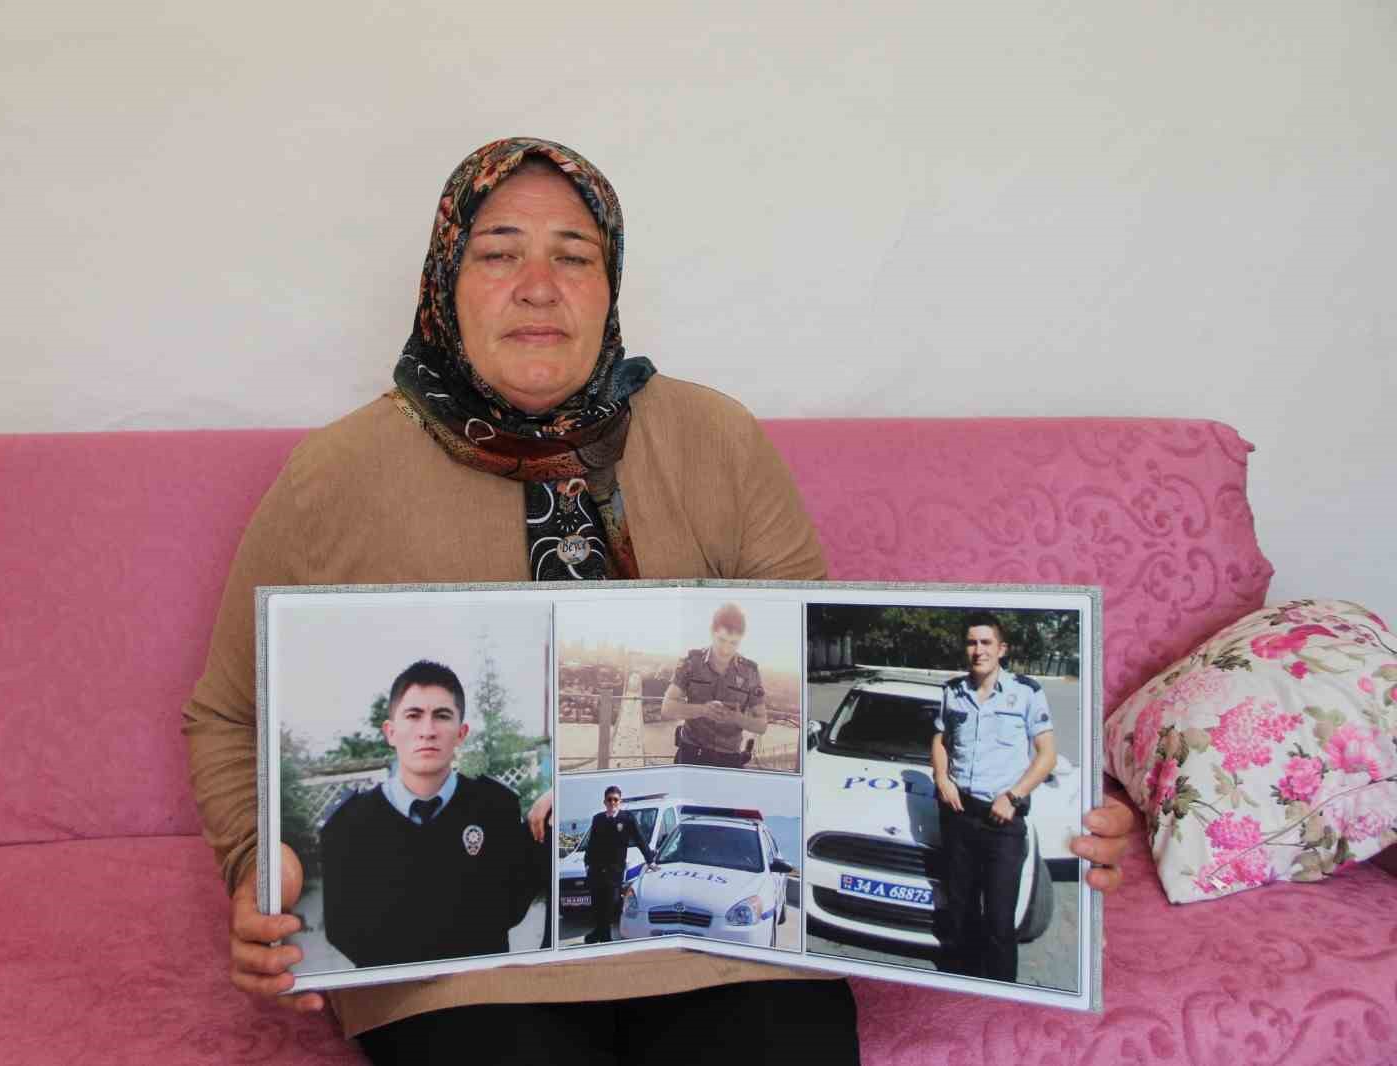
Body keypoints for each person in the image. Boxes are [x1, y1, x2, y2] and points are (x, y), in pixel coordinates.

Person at [183, 137, 1135, 1065]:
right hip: (461, 967)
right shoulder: (335, 476)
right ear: (443, 281)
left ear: (612, 284)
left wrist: (1068, 823)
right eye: (498, 253)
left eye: (575, 256)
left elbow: (798, 694)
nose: (539, 286)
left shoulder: (715, 441)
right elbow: (227, 714)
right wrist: (252, 871)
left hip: (724, 954)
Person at [317, 660, 550, 967]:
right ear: (390, 732)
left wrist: (556, 795)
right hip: (393, 1003)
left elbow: (512, 906)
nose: (427, 731)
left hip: (479, 998)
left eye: (442, 716)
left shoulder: (495, 808)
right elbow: (342, 930)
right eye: (413, 716)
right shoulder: (349, 824)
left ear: (461, 733)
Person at [930, 613, 1058, 982]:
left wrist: (1014, 797)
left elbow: (1046, 753)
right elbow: (939, 739)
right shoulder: (951, 691)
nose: (978, 650)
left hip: (1003, 819)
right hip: (958, 815)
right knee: (961, 911)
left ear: (1001, 649)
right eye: (971, 642)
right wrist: (942, 777)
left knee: (1000, 920)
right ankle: (961, 984)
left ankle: (1002, 992)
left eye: (986, 643)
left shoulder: (1026, 692)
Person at [659, 603, 767, 767]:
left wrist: (737, 718)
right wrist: (703, 710)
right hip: (691, 752)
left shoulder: (750, 672)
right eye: (721, 640)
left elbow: (761, 725)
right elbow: (666, 708)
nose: (726, 649)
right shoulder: (691, 663)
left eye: (733, 643)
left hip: (729, 759)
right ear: (712, 632)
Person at [581, 786, 657, 944]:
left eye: (615, 799)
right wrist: (587, 863)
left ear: (620, 801)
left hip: (614, 871)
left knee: (610, 904)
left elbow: (640, 839)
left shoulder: (627, 818)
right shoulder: (598, 819)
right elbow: (591, 844)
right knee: (598, 905)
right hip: (596, 870)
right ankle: (600, 934)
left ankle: (603, 937)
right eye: (609, 799)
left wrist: (650, 860)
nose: (612, 802)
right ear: (604, 802)